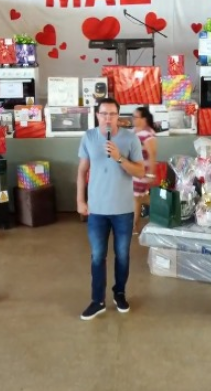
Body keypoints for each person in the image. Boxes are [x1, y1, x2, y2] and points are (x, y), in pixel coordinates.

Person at [76, 98, 145, 321]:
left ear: (118, 116)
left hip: (123, 209)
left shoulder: (130, 138)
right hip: (97, 209)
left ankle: (119, 293)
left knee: (122, 255)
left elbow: (140, 172)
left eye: (112, 114)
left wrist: (119, 157)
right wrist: (80, 200)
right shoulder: (89, 137)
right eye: (104, 113)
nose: (108, 118)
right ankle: (97, 300)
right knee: (97, 256)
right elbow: (82, 171)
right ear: (97, 115)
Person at [131, 106, 158, 234]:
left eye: (136, 117)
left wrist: (151, 174)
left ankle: (134, 227)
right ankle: (163, 207)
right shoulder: (136, 131)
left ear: (144, 119)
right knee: (140, 197)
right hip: (133, 170)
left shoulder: (147, 134)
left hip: (142, 172)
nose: (133, 119)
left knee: (136, 198)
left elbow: (152, 154)